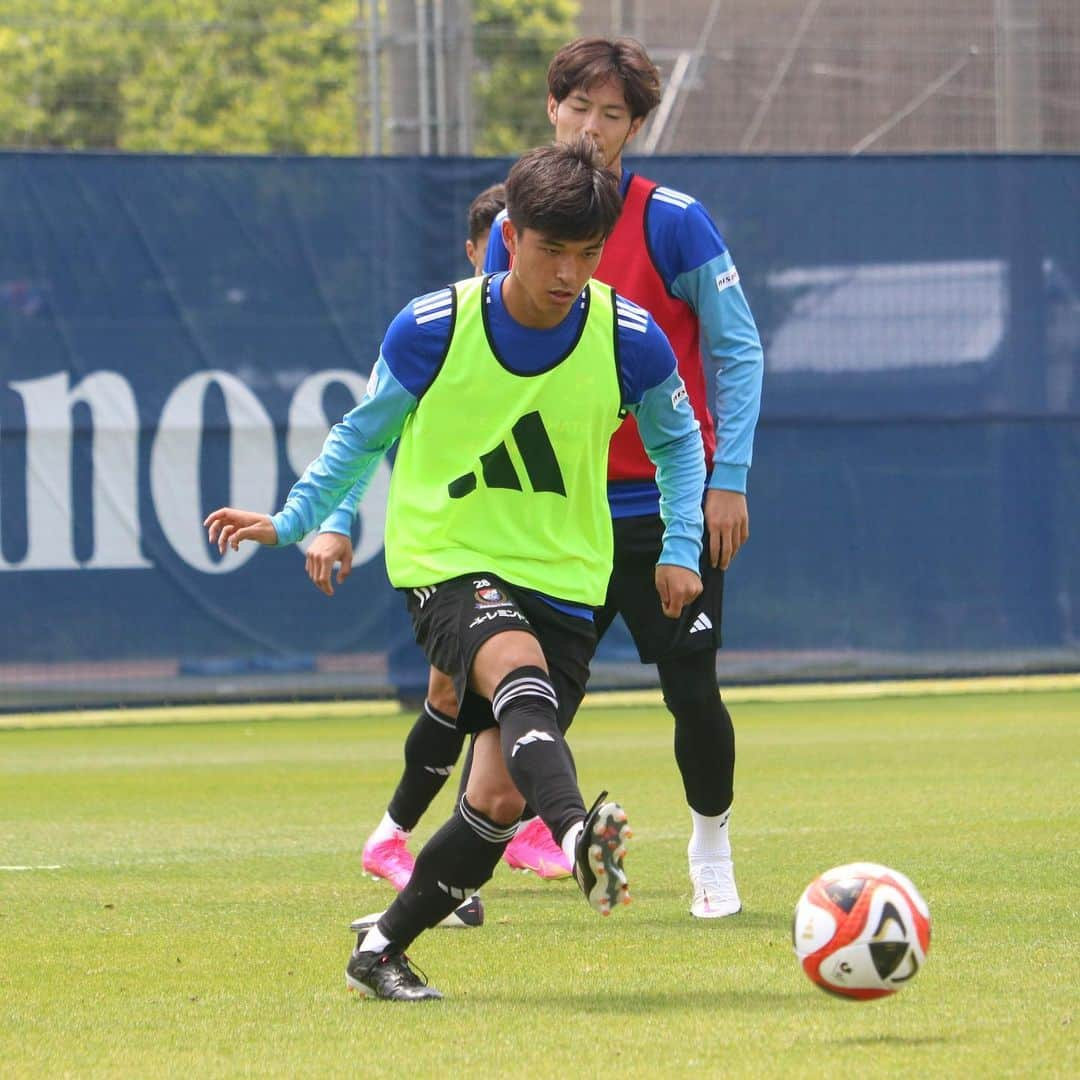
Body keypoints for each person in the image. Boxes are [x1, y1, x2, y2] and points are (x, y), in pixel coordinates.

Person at [205, 137, 707, 1001]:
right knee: (513, 666)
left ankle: (381, 952)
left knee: (495, 802)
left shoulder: (629, 337)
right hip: (447, 560)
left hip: (565, 577)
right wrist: (295, 522)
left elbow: (679, 444)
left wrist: (680, 545)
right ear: (509, 234)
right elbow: (360, 435)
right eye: (552, 250)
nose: (567, 273)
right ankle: (580, 828)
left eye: (587, 254)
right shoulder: (435, 326)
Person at [345, 37, 766, 921]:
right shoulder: (520, 217)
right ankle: (450, 871)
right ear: (552, 110)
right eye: (580, 107)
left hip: (654, 507)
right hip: (545, 519)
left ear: (637, 127)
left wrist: (726, 479)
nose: (593, 126)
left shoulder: (672, 221)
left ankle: (711, 849)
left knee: (691, 687)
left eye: (613, 114)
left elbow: (734, 347)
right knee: (497, 701)